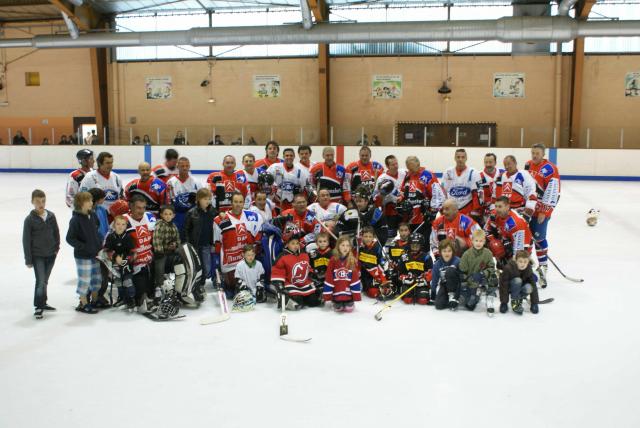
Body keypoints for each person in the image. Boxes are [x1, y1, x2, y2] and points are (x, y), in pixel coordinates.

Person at [214, 192, 264, 298]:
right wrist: (217, 262)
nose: (238, 204)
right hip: (230, 264)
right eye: (235, 202)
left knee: (248, 290)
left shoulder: (253, 217)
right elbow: (217, 243)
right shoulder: (220, 220)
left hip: (247, 261)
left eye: (240, 202)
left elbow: (258, 237)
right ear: (231, 203)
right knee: (231, 293)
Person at [525, 143, 561, 288]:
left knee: (539, 238)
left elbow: (554, 192)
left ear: (543, 154)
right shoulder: (528, 165)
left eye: (537, 153)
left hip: (540, 212)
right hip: (528, 209)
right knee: (527, 238)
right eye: (533, 153)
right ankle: (527, 266)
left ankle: (543, 267)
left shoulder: (550, 169)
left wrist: (544, 212)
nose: (534, 156)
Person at [22, 189, 60, 319]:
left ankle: (43, 302)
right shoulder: (29, 220)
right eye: (38, 201)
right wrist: (28, 259)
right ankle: (38, 306)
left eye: (43, 201)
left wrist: (56, 248)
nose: (41, 204)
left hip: (51, 254)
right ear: (32, 202)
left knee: (45, 281)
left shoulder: (51, 216)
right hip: (37, 255)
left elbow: (56, 233)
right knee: (40, 281)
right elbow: (26, 240)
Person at [66, 191, 102, 314]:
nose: (92, 203)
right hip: (83, 256)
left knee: (97, 278)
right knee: (85, 280)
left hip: (95, 253)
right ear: (81, 203)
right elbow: (69, 238)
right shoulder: (75, 220)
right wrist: (84, 246)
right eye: (89, 201)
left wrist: (98, 244)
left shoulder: (93, 215)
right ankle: (83, 303)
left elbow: (97, 228)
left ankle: (95, 300)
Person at [397, 155, 445, 241]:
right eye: (408, 168)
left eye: (411, 168)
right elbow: (403, 191)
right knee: (410, 245)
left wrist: (432, 212)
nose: (410, 171)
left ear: (418, 164)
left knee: (423, 245)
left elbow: (438, 195)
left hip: (423, 218)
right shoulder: (408, 175)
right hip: (409, 218)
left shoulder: (427, 175)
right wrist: (400, 201)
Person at [124, 195, 157, 311]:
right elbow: (110, 242)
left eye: (143, 208)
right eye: (138, 208)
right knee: (140, 295)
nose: (141, 211)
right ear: (131, 206)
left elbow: (157, 237)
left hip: (151, 262)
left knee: (153, 292)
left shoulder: (150, 217)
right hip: (135, 266)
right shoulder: (123, 221)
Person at [484, 196, 534, 267]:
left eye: (500, 207)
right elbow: (485, 231)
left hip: (523, 247)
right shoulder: (494, 214)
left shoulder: (515, 223)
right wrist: (493, 241)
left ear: (507, 207)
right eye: (496, 206)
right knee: (488, 243)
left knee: (515, 268)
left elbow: (519, 251)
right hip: (506, 240)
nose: (497, 209)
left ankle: (529, 271)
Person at [271, 236, 319, 310]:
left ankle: (305, 298)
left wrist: (312, 274)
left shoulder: (304, 254)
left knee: (313, 301)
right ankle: (286, 300)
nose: (296, 245)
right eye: (293, 243)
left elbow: (307, 267)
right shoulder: (283, 257)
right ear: (287, 245)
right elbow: (278, 271)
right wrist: (279, 284)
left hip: (304, 283)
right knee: (298, 301)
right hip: (291, 284)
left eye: (297, 243)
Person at [184, 188, 217, 291]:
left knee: (206, 268)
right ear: (198, 199)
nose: (207, 201)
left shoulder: (212, 211)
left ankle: (202, 281)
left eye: (209, 199)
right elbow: (185, 229)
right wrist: (187, 244)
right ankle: (199, 284)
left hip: (207, 244)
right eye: (205, 199)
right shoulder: (191, 213)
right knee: (198, 266)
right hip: (195, 245)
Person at [459, 229, 498, 312]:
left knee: (494, 277)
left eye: (481, 241)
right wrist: (466, 282)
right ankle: (476, 293)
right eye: (476, 240)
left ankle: (490, 297)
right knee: (469, 305)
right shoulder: (466, 254)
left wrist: (482, 273)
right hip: (471, 281)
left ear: (484, 241)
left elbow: (491, 268)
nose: (478, 243)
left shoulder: (488, 253)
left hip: (483, 278)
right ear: (472, 241)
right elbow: (462, 272)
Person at [103, 215, 136, 310]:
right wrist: (115, 256)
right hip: (115, 265)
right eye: (118, 224)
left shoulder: (128, 237)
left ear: (126, 226)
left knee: (127, 281)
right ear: (114, 225)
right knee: (118, 282)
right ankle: (121, 298)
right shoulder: (110, 236)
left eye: (123, 224)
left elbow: (133, 252)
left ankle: (131, 299)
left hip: (126, 265)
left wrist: (126, 259)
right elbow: (106, 250)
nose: (120, 226)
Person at [441, 149, 483, 221]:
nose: (460, 159)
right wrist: (442, 208)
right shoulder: (448, 172)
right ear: (455, 158)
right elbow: (442, 192)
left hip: (467, 210)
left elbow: (478, 194)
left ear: (466, 158)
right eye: (458, 157)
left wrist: (476, 211)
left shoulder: (474, 173)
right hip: (451, 210)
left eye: (463, 157)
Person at [323, 235, 361, 312]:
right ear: (338, 246)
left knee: (349, 308)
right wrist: (328, 294)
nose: (345, 248)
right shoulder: (333, 260)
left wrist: (356, 295)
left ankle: (349, 299)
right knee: (338, 307)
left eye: (347, 245)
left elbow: (354, 279)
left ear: (350, 247)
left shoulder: (352, 260)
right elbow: (329, 276)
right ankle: (336, 299)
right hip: (337, 288)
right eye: (343, 245)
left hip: (348, 290)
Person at [153, 205, 182, 303]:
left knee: (180, 263)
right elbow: (157, 239)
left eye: (170, 214)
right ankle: (158, 288)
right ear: (161, 215)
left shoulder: (174, 226)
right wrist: (160, 250)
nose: (168, 216)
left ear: (173, 215)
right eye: (165, 214)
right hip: (161, 253)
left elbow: (178, 239)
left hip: (172, 252)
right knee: (159, 268)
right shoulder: (159, 225)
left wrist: (176, 245)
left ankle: (178, 286)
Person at [373, 154, 407, 241]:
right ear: (387, 166)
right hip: (389, 212)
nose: (396, 166)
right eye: (393, 165)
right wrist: (382, 193)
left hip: (403, 210)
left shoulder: (403, 173)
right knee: (390, 237)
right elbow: (375, 197)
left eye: (396, 163)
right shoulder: (382, 179)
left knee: (405, 235)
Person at [167, 157, 202, 237]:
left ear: (189, 166)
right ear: (177, 166)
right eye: (182, 166)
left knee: (193, 237)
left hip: (193, 215)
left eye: (187, 166)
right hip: (178, 216)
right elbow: (169, 202)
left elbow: (201, 199)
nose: (185, 168)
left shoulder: (196, 182)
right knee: (179, 237)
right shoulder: (171, 182)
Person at [499, 250, 539, 315]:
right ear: (516, 260)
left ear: (528, 262)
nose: (523, 264)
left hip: (520, 288)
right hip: (510, 288)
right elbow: (504, 285)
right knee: (517, 280)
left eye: (525, 262)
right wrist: (504, 303)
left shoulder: (529, 268)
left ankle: (519, 299)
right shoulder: (508, 268)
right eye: (520, 261)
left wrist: (534, 303)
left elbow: (533, 285)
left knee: (529, 287)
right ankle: (515, 301)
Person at [398, 233, 433, 305]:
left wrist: (425, 278)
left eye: (417, 245)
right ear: (409, 245)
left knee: (423, 300)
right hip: (408, 283)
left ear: (421, 245)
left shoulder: (426, 257)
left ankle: (419, 292)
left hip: (421, 283)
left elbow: (431, 272)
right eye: (413, 245)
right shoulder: (404, 256)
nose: (415, 247)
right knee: (407, 300)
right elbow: (400, 272)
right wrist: (405, 277)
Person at [358, 226, 389, 299]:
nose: (368, 238)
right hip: (362, 272)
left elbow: (381, 264)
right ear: (362, 236)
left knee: (373, 292)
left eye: (370, 236)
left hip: (373, 273)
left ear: (373, 237)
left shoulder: (377, 247)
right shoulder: (359, 247)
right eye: (365, 236)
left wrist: (383, 279)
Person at [432, 239, 462, 310]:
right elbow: (434, 280)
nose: (447, 253)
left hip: (457, 286)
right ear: (440, 252)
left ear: (453, 252)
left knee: (450, 270)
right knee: (438, 305)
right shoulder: (437, 264)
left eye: (449, 251)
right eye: (444, 251)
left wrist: (458, 294)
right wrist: (433, 295)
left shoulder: (458, 261)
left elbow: (463, 278)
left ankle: (455, 297)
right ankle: (448, 299)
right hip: (445, 286)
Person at [479, 153, 503, 221]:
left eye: (490, 162)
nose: (488, 164)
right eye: (486, 162)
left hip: (502, 206)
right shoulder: (479, 176)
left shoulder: (503, 173)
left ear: (495, 162)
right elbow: (479, 197)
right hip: (487, 209)